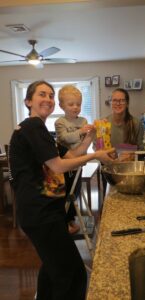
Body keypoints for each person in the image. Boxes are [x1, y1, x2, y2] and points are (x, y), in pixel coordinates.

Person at [9, 80, 114, 300]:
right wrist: (95, 155)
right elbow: (58, 166)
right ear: (28, 101)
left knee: (52, 268)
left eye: (50, 95)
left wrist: (90, 138)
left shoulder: (42, 131)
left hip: (47, 212)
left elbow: (70, 157)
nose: (47, 99)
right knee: (72, 273)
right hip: (40, 213)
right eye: (41, 94)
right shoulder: (32, 127)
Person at [55, 84, 95, 234]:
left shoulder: (83, 121)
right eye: (71, 104)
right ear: (61, 105)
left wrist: (93, 132)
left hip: (79, 163)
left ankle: (70, 219)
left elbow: (86, 140)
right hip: (65, 165)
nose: (75, 107)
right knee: (65, 194)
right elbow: (65, 138)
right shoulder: (60, 122)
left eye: (78, 104)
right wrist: (81, 132)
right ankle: (64, 221)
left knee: (75, 192)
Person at [96, 87, 144, 196]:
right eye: (115, 100)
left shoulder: (136, 124)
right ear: (111, 102)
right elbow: (97, 150)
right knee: (110, 199)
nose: (118, 103)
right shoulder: (103, 123)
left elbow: (141, 149)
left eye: (122, 100)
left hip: (130, 172)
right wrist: (110, 157)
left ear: (127, 103)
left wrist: (131, 155)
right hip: (109, 171)